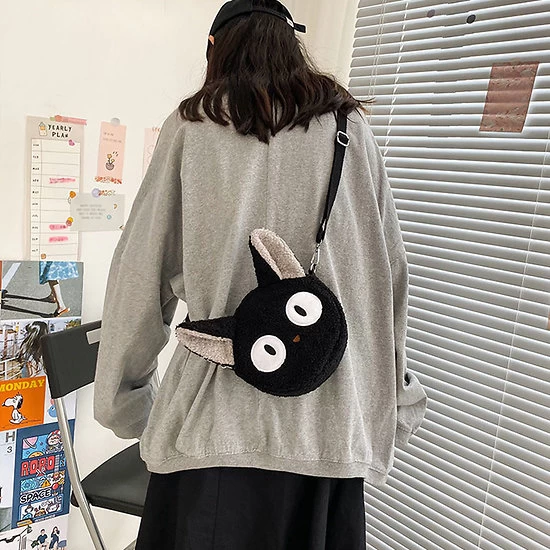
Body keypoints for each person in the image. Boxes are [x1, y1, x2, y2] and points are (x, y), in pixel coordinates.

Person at [93, 1, 427, 548]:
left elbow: (140, 273)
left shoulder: (192, 128)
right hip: (328, 434)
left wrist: (124, 404)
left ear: (214, 48)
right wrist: (396, 399)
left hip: (210, 430)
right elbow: (385, 278)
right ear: (293, 42)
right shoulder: (349, 128)